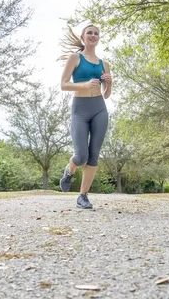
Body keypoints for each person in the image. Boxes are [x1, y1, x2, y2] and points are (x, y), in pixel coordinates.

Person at [59, 24, 112, 209]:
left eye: (96, 33)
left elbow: (106, 94)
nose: (93, 35)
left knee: (94, 155)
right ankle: (70, 170)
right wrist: (84, 85)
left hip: (99, 108)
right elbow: (64, 85)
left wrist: (109, 83)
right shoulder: (75, 58)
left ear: (98, 38)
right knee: (81, 156)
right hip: (80, 109)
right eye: (89, 32)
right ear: (83, 37)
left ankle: (83, 196)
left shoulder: (104, 64)